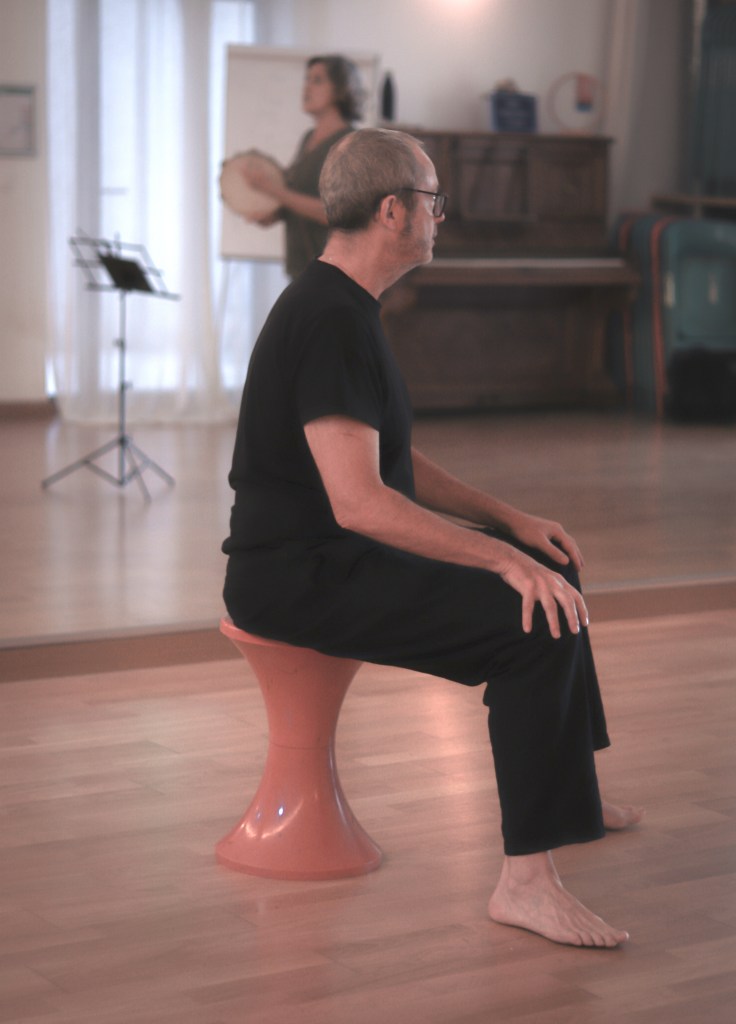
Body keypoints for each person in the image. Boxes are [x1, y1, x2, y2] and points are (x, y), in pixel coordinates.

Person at [223, 127, 640, 948]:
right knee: (530, 621)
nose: (439, 216)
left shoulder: (343, 303)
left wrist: (510, 523)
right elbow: (361, 503)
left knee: (550, 566)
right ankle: (526, 884)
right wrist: (500, 560)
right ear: (392, 210)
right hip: (298, 576)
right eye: (432, 200)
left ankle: (572, 789)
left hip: (329, 556)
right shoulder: (331, 319)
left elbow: (388, 458)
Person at [245, 54, 364, 279]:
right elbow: (296, 197)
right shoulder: (308, 138)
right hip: (302, 271)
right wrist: (272, 213)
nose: (306, 87)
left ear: (341, 88)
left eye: (317, 80)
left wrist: (273, 190)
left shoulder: (349, 143)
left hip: (333, 275)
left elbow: (336, 213)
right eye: (306, 79)